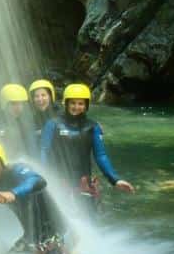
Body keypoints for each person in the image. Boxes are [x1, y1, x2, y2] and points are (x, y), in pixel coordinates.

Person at [40, 83, 134, 218]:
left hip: (83, 181)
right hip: (58, 180)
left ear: (86, 106)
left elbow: (101, 155)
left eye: (81, 103)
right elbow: (44, 151)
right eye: (72, 103)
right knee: (58, 219)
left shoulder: (93, 127)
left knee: (88, 218)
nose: (76, 107)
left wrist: (115, 180)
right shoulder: (53, 124)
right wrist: (44, 176)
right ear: (66, 103)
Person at [0, 83, 37, 158]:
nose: (18, 107)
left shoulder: (26, 123)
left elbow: (31, 148)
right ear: (5, 104)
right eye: (14, 103)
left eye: (20, 103)